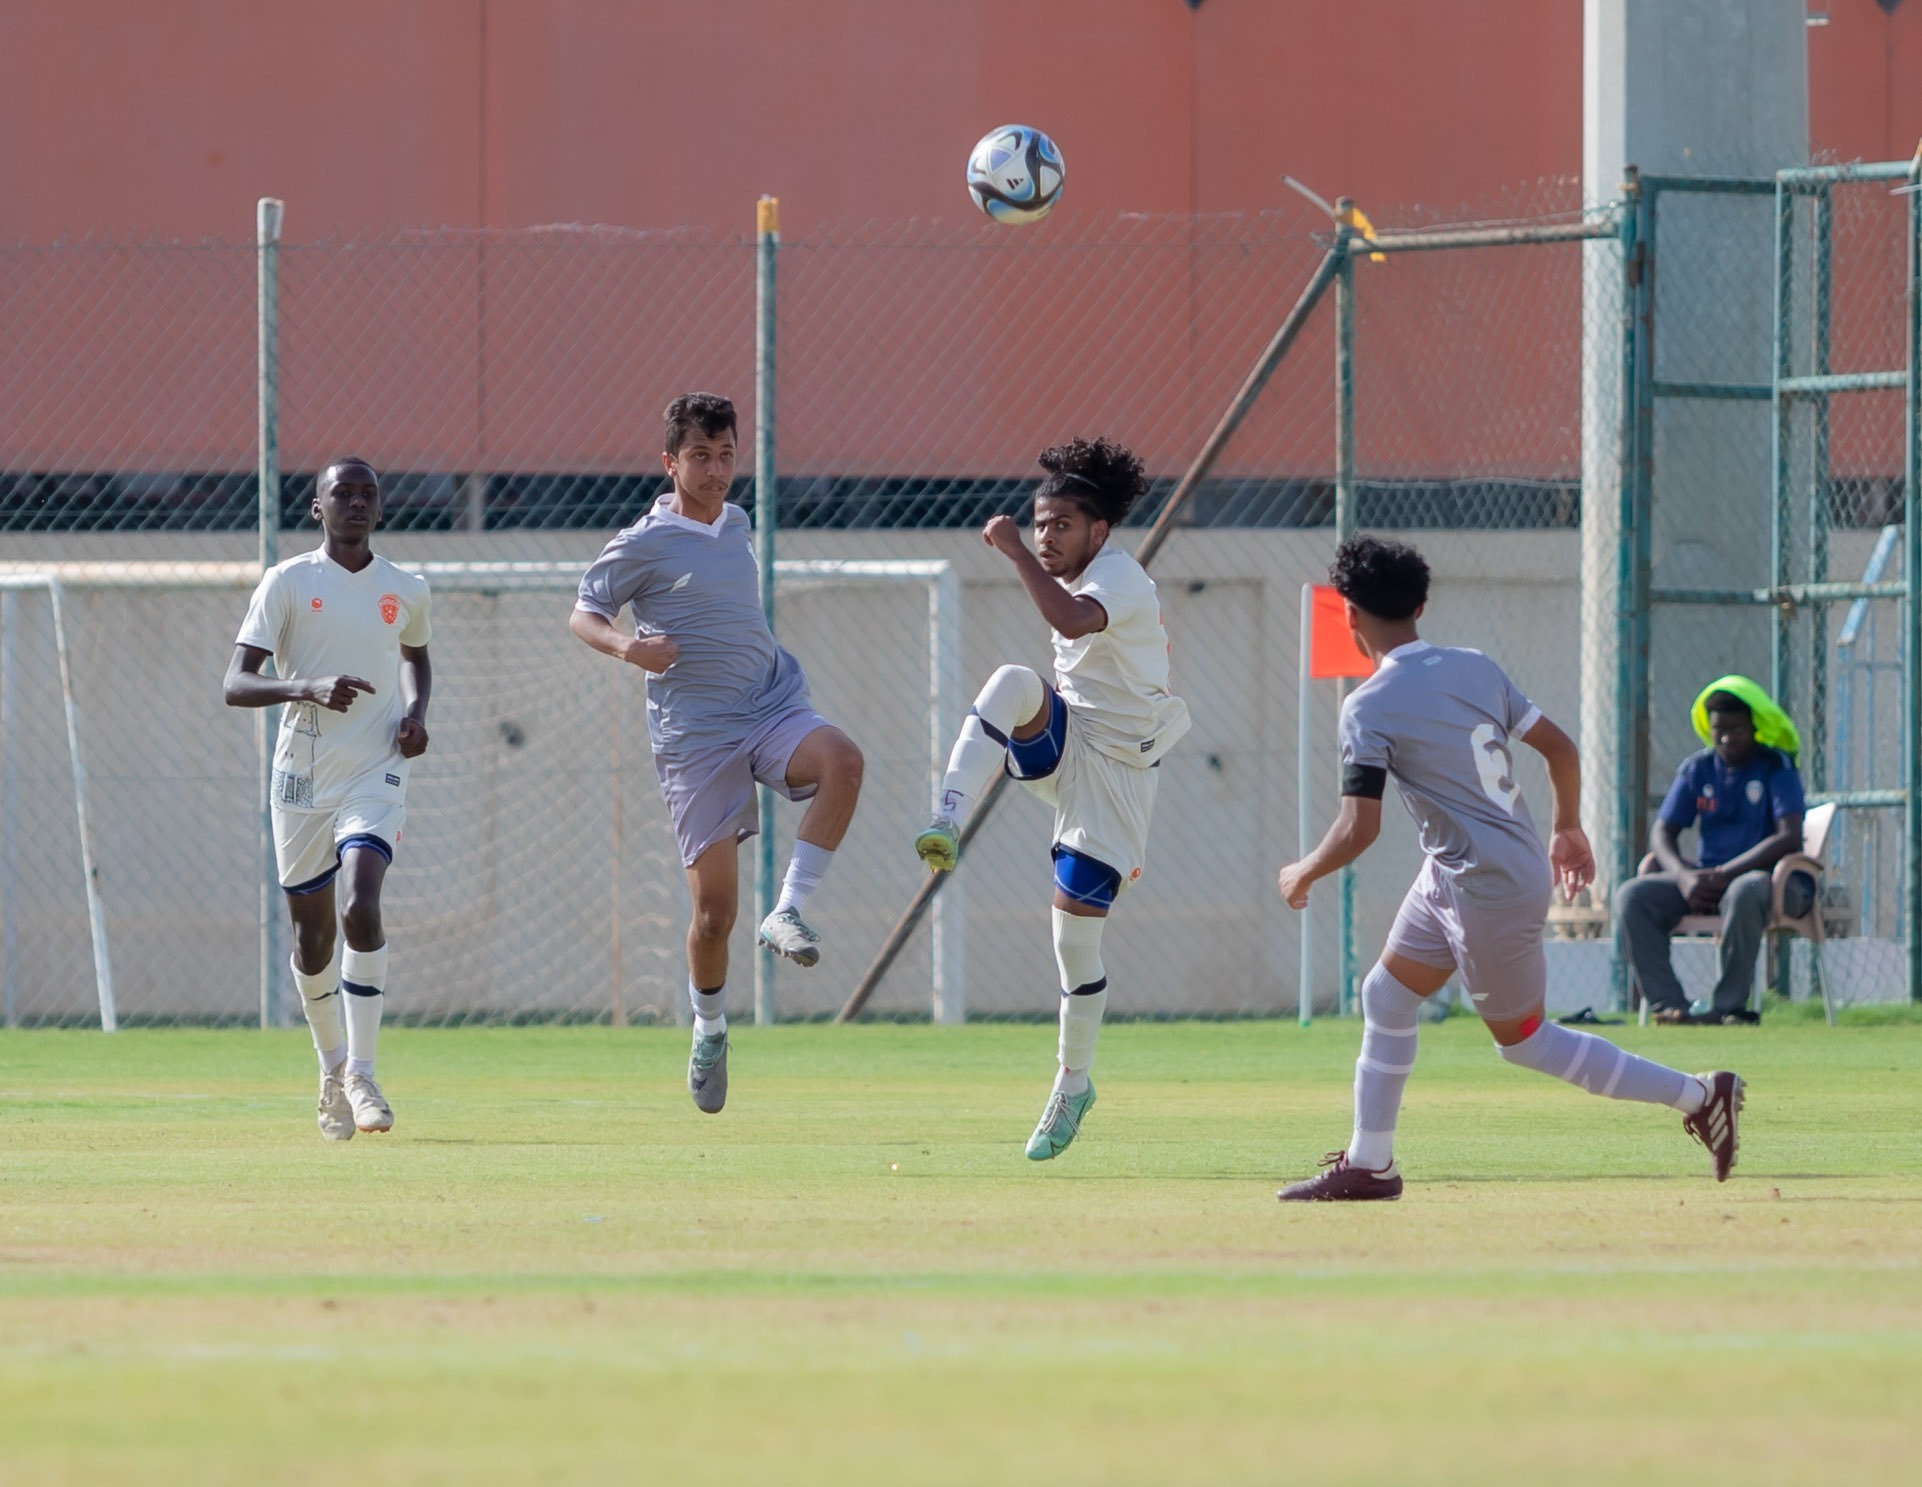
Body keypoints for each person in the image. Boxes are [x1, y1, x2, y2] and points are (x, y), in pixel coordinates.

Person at [1273, 536, 1743, 1200]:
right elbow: (1560, 747)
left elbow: (1359, 828)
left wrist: (1303, 871)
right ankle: (1370, 1162)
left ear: (1348, 614)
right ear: (1421, 605)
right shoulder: (1474, 666)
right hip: (1454, 871)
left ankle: (1698, 1094)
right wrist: (1566, 826)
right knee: (1386, 994)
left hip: (1488, 884)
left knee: (1524, 1042)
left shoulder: (1367, 706)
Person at [571, 392, 864, 1115]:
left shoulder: (737, 522)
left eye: (726, 454)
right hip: (696, 740)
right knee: (713, 916)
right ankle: (709, 1028)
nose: (716, 470)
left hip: (769, 705)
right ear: (669, 462)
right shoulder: (642, 542)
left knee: (843, 760)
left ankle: (788, 910)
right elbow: (584, 614)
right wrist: (629, 647)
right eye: (700, 456)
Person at [916, 437, 1189, 1160]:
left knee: (1073, 940)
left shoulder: (1119, 576)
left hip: (1118, 778)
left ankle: (1073, 1083)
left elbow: (1070, 621)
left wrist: (1012, 552)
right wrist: (1026, 554)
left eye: (1062, 525)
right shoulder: (1075, 576)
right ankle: (946, 818)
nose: (1045, 536)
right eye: (1039, 524)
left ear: (1099, 531)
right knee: (1012, 681)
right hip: (1070, 742)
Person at [224, 458, 432, 1140]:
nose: (357, 502)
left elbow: (415, 655)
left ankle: (364, 1073)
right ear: (318, 507)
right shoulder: (287, 582)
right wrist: (306, 687)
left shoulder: (405, 587)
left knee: (360, 906)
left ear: (381, 507)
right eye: (343, 492)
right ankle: (332, 1068)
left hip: (376, 770)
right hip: (303, 778)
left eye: (369, 493)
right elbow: (235, 683)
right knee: (312, 939)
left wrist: (414, 713)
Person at [1614, 678, 1807, 1025]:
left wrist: (1725, 873)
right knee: (1633, 895)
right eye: (1720, 729)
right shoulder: (1697, 769)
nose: (1727, 738)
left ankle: (1727, 1008)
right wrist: (1684, 877)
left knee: (1744, 889)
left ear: (1754, 727)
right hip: (1707, 884)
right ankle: (1669, 1006)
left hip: (1773, 883)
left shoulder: (1777, 767)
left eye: (1737, 729)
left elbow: (1789, 837)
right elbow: (1663, 832)